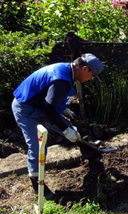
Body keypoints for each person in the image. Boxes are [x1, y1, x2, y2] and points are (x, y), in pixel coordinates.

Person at [11, 53, 104, 199]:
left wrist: (64, 111)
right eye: (92, 75)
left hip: (40, 106)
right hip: (26, 109)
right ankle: (38, 186)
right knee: (38, 146)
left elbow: (50, 97)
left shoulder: (66, 69)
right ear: (85, 69)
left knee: (70, 128)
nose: (90, 79)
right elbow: (49, 109)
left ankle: (87, 149)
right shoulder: (62, 79)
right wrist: (66, 130)